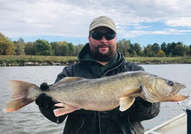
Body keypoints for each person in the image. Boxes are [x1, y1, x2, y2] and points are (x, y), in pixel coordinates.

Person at [35, 16, 160, 134]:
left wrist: (145, 103)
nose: (103, 40)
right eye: (97, 35)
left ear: (115, 38)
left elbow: (150, 113)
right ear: (89, 38)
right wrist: (46, 106)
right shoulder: (70, 72)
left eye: (109, 35)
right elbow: (58, 117)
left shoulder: (135, 71)